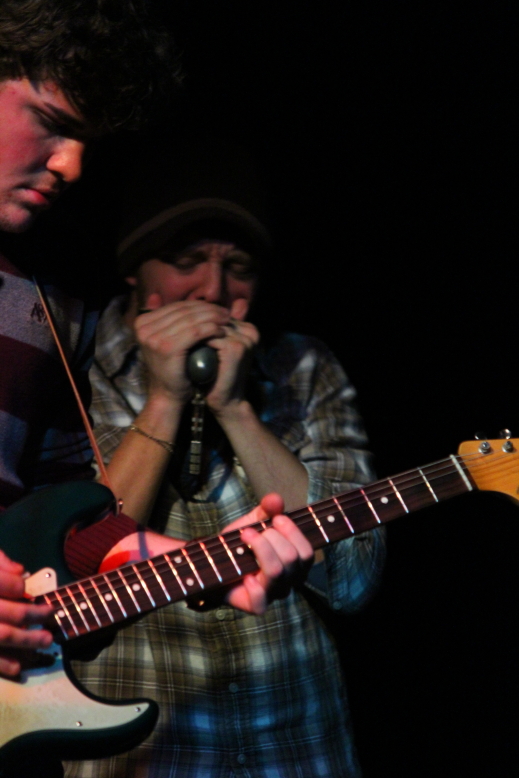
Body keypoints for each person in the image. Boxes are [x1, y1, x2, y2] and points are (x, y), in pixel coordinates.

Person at [0, 5, 314, 776]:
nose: (72, 164)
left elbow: (58, 520)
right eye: (52, 124)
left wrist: (189, 560)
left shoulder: (44, 299)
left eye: (88, 140)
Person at [65, 141, 386, 778]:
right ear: (134, 268)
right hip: (147, 757)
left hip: (297, 752)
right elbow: (69, 577)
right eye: (186, 262)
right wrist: (164, 400)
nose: (213, 290)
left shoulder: (302, 368)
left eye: (238, 268)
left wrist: (236, 408)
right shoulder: (74, 367)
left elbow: (353, 578)